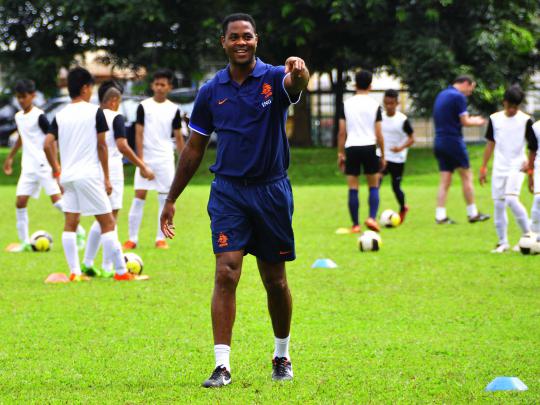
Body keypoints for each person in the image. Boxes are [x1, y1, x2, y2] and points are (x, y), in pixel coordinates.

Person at [159, 13, 309, 387]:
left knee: (275, 280)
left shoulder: (275, 78)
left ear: (256, 40)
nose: (241, 42)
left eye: (247, 36)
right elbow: (194, 149)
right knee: (226, 270)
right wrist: (172, 198)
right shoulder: (212, 91)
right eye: (233, 37)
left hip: (271, 191)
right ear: (223, 43)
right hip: (227, 191)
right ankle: (221, 365)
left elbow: (296, 82)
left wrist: (300, 72)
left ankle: (281, 354)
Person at [43, 67, 135, 281]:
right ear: (85, 88)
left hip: (68, 177)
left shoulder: (60, 114)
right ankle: (122, 272)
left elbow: (47, 144)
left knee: (71, 223)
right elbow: (102, 147)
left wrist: (57, 169)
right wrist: (106, 177)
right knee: (108, 222)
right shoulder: (96, 112)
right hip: (89, 175)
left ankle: (75, 272)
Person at [81, 81, 155, 277]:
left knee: (102, 217)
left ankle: (88, 262)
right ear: (114, 101)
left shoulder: (91, 116)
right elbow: (122, 146)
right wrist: (142, 166)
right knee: (110, 220)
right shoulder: (116, 117)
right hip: (111, 171)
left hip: (91, 169)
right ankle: (108, 267)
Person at [3, 79, 85, 252]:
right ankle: (25, 242)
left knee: (57, 202)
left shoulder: (39, 116)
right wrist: (10, 157)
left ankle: (79, 231)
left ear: (32, 96)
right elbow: (21, 137)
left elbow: (51, 139)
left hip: (43, 166)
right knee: (20, 202)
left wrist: (55, 165)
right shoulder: (19, 116)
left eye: (24, 97)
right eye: (18, 97)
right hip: (28, 167)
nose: (21, 100)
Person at [123, 69, 184, 250]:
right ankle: (132, 239)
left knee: (164, 199)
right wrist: (141, 163)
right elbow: (138, 134)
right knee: (139, 197)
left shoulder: (174, 109)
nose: (159, 87)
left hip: (165, 158)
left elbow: (178, 137)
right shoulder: (144, 106)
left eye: (163, 84)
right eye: (156, 84)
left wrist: (183, 162)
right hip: (147, 159)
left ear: (169, 87)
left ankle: (160, 238)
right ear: (152, 86)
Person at [479, 86, 536, 252]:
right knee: (498, 204)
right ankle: (502, 242)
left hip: (517, 166)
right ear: (504, 102)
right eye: (509, 105)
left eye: (515, 107)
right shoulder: (495, 119)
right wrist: (483, 167)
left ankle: (529, 236)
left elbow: (533, 147)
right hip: (499, 167)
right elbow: (490, 143)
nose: (512, 110)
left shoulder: (526, 120)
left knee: (511, 199)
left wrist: (530, 166)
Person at [433, 75, 490, 224]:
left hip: (439, 140)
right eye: (471, 88)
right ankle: (472, 213)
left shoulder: (442, 94)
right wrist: (477, 121)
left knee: (445, 180)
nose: (470, 92)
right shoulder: (458, 97)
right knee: (466, 175)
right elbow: (464, 121)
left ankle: (440, 216)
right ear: (466, 83)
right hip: (453, 140)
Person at [337, 70, 385, 233]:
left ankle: (356, 225)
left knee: (353, 187)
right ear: (370, 86)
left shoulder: (347, 104)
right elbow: (379, 133)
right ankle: (372, 218)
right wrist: (383, 155)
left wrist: (340, 153)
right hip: (370, 146)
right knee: (373, 185)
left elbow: (342, 132)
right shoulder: (375, 104)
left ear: (355, 85)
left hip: (352, 147)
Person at [380, 89, 415, 222]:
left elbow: (412, 139)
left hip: (397, 159)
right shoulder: (380, 117)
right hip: (383, 157)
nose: (389, 106)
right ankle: (373, 214)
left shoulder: (402, 120)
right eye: (386, 103)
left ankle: (402, 208)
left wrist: (400, 148)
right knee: (376, 183)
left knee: (395, 187)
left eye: (391, 103)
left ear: (397, 103)